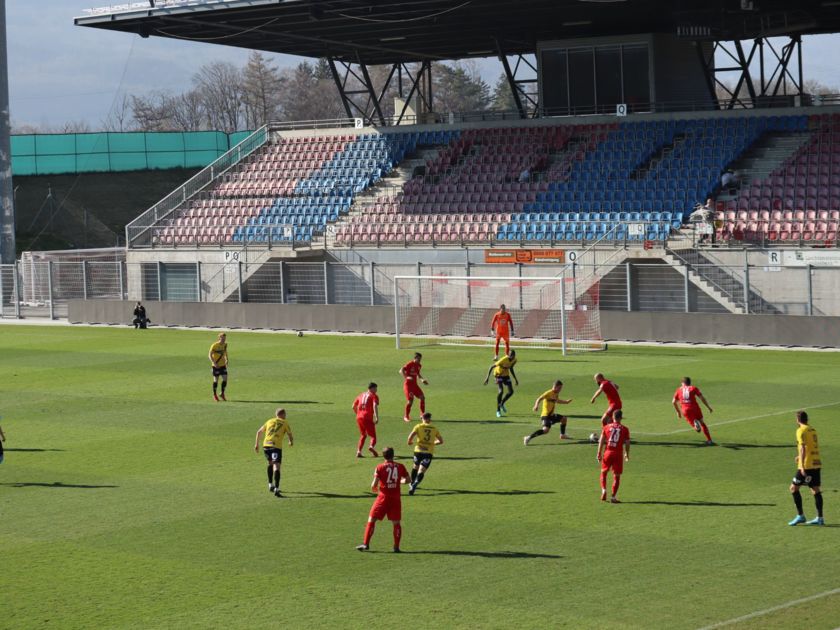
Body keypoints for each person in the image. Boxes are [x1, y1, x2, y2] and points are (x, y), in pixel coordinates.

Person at [357, 446, 410, 552]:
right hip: (395, 498)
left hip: (383, 498)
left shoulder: (380, 467)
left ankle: (366, 544)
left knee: (371, 519)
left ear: (383, 456)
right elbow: (408, 480)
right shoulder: (400, 466)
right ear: (393, 455)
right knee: (396, 523)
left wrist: (374, 488)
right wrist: (399, 482)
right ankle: (396, 547)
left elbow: (374, 485)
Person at [788, 411, 824, 526]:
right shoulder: (812, 429)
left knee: (793, 488)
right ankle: (820, 518)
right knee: (815, 490)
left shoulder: (800, 430)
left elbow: (803, 447)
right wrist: (800, 456)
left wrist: (802, 465)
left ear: (797, 420)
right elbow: (811, 446)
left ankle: (800, 516)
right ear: (807, 419)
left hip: (807, 465)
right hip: (816, 463)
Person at [254, 408, 293, 498]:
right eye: (285, 414)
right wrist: (291, 442)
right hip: (276, 447)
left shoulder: (269, 421)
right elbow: (290, 434)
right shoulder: (285, 422)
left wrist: (256, 444)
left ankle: (270, 484)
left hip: (266, 445)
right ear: (282, 415)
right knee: (276, 466)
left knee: (270, 463)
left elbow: (259, 432)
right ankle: (277, 488)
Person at [597, 409, 630, 503]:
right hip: (618, 453)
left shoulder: (606, 427)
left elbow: (601, 441)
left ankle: (603, 490)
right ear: (621, 418)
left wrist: (598, 453)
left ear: (613, 417)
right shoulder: (625, 429)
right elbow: (627, 443)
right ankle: (613, 497)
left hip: (608, 452)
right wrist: (627, 454)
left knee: (603, 473)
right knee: (616, 476)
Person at [524, 380, 572, 444]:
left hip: (551, 415)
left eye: (561, 388)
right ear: (555, 386)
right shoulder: (548, 393)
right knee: (545, 430)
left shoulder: (556, 393)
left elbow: (557, 401)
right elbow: (539, 398)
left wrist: (566, 402)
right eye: (559, 388)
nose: (560, 389)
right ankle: (528, 438)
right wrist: (536, 406)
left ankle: (562, 435)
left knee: (564, 419)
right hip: (545, 416)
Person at [407, 412, 443, 495]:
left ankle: (412, 484)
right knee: (421, 471)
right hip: (428, 452)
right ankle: (416, 483)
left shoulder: (418, 426)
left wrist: (409, 442)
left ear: (422, 418)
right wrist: (433, 443)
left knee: (415, 467)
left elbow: (410, 436)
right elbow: (441, 441)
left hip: (418, 451)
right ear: (429, 419)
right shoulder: (434, 428)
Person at [672, 377, 714, 445]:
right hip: (695, 408)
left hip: (685, 409)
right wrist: (708, 407)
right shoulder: (694, 388)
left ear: (683, 383)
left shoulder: (679, 390)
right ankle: (709, 440)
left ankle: (695, 424)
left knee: (697, 429)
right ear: (689, 383)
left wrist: (678, 412)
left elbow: (673, 402)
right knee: (702, 423)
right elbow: (702, 398)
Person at [483, 350, 519, 418]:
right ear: (508, 355)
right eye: (511, 355)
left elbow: (511, 368)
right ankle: (498, 410)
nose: (512, 357)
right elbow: (491, 366)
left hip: (506, 375)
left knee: (511, 392)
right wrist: (487, 378)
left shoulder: (515, 360)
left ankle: (502, 403)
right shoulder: (503, 359)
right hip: (498, 374)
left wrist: (515, 379)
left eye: (513, 356)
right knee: (501, 392)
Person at [353, 382, 380, 458]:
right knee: (373, 436)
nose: (376, 390)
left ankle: (359, 451)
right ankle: (371, 446)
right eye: (375, 388)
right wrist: (376, 417)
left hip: (359, 417)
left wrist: (358, 414)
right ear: (371, 388)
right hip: (367, 417)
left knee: (363, 435)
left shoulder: (361, 395)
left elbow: (353, 406)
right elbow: (375, 405)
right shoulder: (374, 396)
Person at [399, 352, 428, 423]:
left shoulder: (419, 365)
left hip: (415, 385)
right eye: (418, 359)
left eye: (420, 359)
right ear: (415, 358)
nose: (419, 360)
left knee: (422, 397)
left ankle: (422, 414)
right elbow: (400, 370)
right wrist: (407, 377)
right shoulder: (409, 364)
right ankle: (406, 416)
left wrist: (422, 380)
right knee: (410, 401)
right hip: (408, 386)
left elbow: (418, 374)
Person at [208, 333, 229, 401]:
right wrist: (214, 363)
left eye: (224, 338)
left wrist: (226, 359)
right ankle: (215, 394)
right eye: (222, 338)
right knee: (216, 380)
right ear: (219, 338)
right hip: (216, 365)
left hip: (223, 365)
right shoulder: (214, 345)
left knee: (225, 379)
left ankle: (222, 393)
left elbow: (225, 352)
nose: (223, 339)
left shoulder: (225, 344)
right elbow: (210, 355)